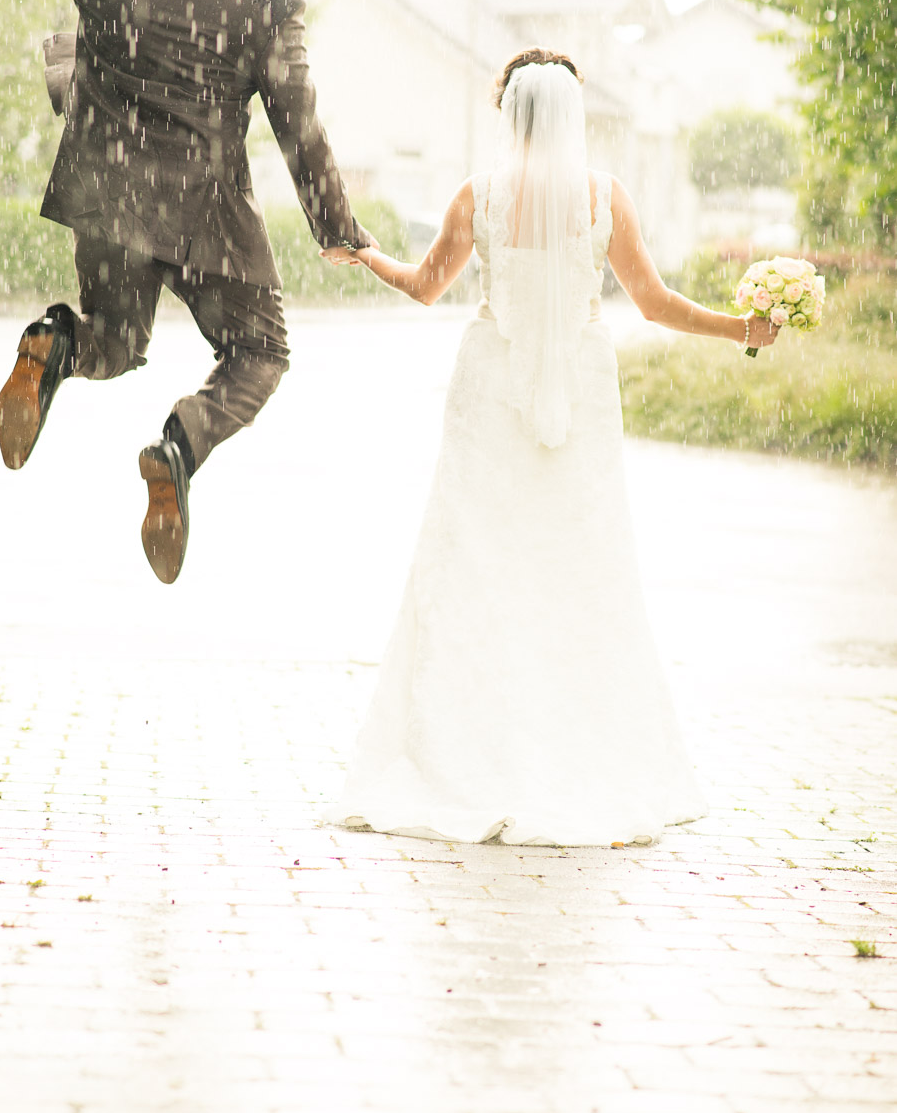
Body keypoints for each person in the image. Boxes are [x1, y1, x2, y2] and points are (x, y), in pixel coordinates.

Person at [322, 50, 778, 847]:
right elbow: (655, 302)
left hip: (488, 389)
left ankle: (459, 749)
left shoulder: (478, 197)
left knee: (472, 565)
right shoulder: (606, 198)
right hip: (581, 389)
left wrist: (363, 250)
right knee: (581, 568)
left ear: (508, 115)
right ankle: (586, 750)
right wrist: (741, 327)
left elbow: (427, 288)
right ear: (572, 115)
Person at [0, 0, 371, 584]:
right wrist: (337, 230)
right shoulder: (268, 0)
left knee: (114, 343)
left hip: (107, 200)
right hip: (207, 222)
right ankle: (178, 445)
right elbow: (300, 125)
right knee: (259, 352)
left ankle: (53, 344)